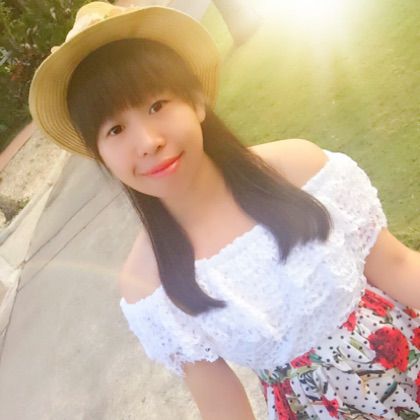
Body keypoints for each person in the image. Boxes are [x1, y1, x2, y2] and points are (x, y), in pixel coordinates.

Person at [29, 2, 420, 419]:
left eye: (157, 105)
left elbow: (396, 264)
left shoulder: (301, 169)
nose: (147, 142)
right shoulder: (148, 284)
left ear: (196, 102)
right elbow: (222, 405)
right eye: (115, 129)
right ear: (102, 157)